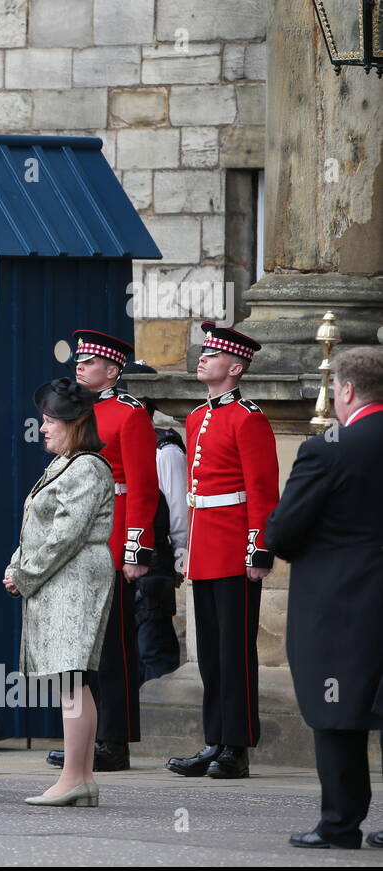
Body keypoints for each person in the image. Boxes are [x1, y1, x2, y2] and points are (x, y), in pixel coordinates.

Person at [267, 346, 383, 850]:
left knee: (336, 713)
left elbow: (282, 532)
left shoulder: (329, 448)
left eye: (334, 389)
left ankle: (340, 824)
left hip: (342, 605)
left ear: (348, 390)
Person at [166, 322, 279, 780]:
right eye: (203, 354)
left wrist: (259, 549)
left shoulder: (248, 417)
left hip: (234, 547)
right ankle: (215, 740)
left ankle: (237, 746)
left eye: (212, 355)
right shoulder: (196, 417)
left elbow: (262, 491)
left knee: (235, 652)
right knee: (210, 654)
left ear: (234, 367)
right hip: (206, 548)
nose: (202, 359)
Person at [47, 330, 156, 773]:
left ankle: (115, 739)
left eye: (90, 362)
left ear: (112, 371)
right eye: (79, 360)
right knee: (80, 649)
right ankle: (85, 741)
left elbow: (144, 490)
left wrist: (134, 550)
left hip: (110, 540)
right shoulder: (76, 412)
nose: (80, 366)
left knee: (112, 648)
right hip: (78, 541)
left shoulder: (128, 414)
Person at [4, 378, 114, 807]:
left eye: (51, 420)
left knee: (72, 678)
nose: (43, 427)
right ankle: (81, 778)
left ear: (75, 423)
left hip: (76, 577)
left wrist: (25, 574)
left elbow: (65, 535)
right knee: (72, 679)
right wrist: (19, 567)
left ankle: (73, 778)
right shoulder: (65, 464)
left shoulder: (86, 466)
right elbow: (38, 528)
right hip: (59, 577)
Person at [136, 394, 187, 682]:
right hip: (124, 566)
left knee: (153, 651)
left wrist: (180, 563)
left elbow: (179, 513)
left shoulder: (164, 450)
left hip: (155, 564)